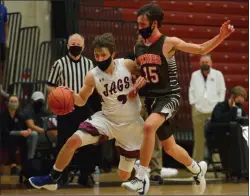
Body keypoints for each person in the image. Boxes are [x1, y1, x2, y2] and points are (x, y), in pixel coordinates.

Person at [121, 3, 234, 195]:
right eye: (137, 24)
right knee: (170, 147)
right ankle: (197, 169)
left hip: (169, 96)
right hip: (152, 99)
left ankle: (141, 177)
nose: (139, 27)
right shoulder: (138, 46)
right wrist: (137, 84)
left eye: (142, 23)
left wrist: (221, 36)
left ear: (154, 23)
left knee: (148, 127)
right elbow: (145, 73)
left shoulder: (168, 42)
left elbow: (199, 49)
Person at [28, 33, 149, 191]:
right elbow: (81, 100)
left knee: (124, 175)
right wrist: (70, 95)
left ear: (113, 54)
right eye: (96, 55)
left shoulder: (126, 65)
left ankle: (140, 173)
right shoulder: (92, 75)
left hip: (130, 124)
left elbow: (151, 75)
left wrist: (143, 79)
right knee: (72, 141)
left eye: (103, 55)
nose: (99, 59)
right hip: (106, 119)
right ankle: (53, 178)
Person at [46, 33, 98, 186]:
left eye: (78, 44)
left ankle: (85, 175)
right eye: (72, 44)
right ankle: (62, 175)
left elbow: (94, 84)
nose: (75, 46)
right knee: (64, 142)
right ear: (68, 46)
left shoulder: (89, 63)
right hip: (65, 108)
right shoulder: (59, 63)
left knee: (86, 141)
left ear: (83, 46)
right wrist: (59, 94)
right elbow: (50, 84)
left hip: (84, 107)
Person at [189, 54, 226, 161]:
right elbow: (191, 90)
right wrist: (193, 104)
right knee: (199, 138)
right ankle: (196, 162)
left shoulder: (218, 74)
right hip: (198, 110)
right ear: (200, 64)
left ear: (211, 63)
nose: (205, 64)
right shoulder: (194, 75)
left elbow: (222, 90)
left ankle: (218, 161)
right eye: (203, 62)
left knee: (216, 137)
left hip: (214, 110)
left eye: (207, 62)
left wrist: (219, 106)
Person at [0, 95, 29, 175]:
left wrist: (28, 130)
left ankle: (25, 165)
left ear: (18, 103)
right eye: (11, 101)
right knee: (11, 138)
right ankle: (13, 165)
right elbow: (5, 131)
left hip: (17, 138)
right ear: (7, 103)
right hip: (4, 138)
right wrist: (20, 132)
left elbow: (24, 128)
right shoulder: (3, 115)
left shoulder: (20, 116)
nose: (14, 103)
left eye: (15, 101)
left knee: (24, 141)